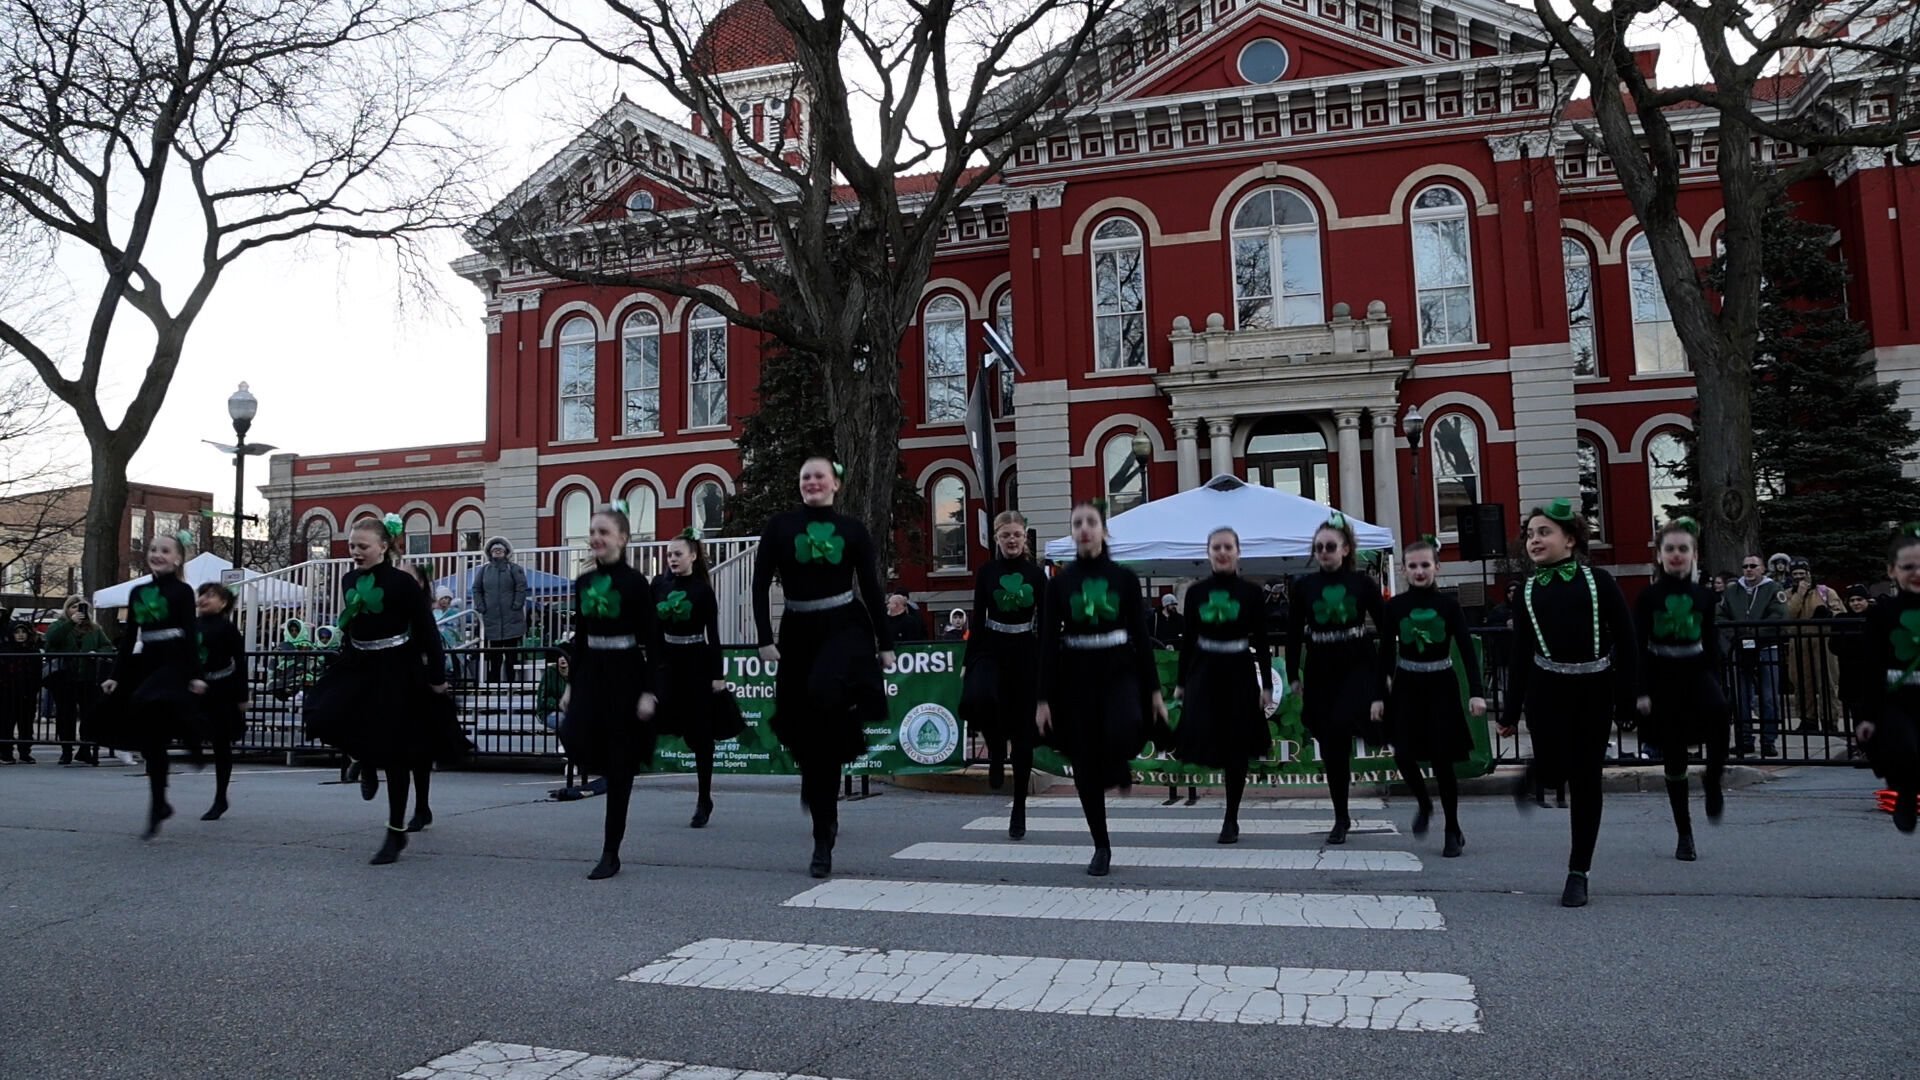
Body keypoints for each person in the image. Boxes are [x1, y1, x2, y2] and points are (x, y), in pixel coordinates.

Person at [752, 456, 895, 879]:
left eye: (820, 476)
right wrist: (765, 638)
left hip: (844, 626)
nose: (812, 482)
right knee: (809, 736)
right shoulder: (779, 527)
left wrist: (885, 643)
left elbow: (870, 586)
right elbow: (759, 585)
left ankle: (820, 841)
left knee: (824, 689)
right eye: (805, 477)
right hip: (798, 629)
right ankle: (824, 817)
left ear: (835, 484)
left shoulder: (852, 530)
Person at [1499, 498, 1636, 908]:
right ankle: (1541, 773)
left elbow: (1628, 640)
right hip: (1545, 692)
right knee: (1555, 769)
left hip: (1593, 691)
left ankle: (1579, 872)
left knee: (1586, 780)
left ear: (1570, 539)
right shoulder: (1525, 590)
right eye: (1530, 534)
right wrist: (1509, 711)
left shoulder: (1599, 581)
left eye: (1544, 532)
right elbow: (1520, 652)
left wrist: (1628, 698)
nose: (1534, 540)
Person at [303, 515, 462, 865]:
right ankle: (365, 760)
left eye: (363, 546)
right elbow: (353, 624)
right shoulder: (348, 579)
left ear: (383, 547)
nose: (356, 552)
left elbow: (427, 632)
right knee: (320, 713)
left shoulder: (402, 583)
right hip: (359, 663)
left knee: (398, 753)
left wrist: (436, 676)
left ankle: (395, 831)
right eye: (352, 546)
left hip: (397, 668)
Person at [1036, 499, 1164, 877]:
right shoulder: (1059, 584)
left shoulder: (1124, 579)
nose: (1085, 528)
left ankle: (1118, 765)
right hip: (1075, 676)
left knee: (1124, 726)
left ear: (1103, 530)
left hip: (1119, 669)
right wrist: (1042, 698)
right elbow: (1046, 642)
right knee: (1084, 765)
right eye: (1078, 523)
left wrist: (1154, 691)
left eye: (1091, 521)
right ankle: (1101, 845)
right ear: (1073, 532)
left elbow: (1142, 636)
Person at [560, 503, 659, 879]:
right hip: (591, 673)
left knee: (621, 767)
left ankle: (610, 851)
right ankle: (601, 767)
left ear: (622, 538)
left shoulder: (636, 584)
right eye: (593, 532)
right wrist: (572, 683)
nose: (596, 538)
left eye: (604, 532)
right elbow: (581, 636)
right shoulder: (583, 583)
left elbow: (653, 640)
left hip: (625, 673)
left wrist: (649, 691)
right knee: (570, 732)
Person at [1372, 537, 1485, 859]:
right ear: (1404, 570)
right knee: (1403, 752)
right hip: (1407, 685)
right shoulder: (1394, 607)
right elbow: (1385, 654)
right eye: (1413, 566)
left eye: (1425, 565)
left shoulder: (1448, 605)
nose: (1419, 571)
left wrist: (1476, 693)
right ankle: (1423, 801)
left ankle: (1452, 827)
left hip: (1441, 686)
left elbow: (1465, 648)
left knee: (1442, 759)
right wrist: (1378, 696)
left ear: (1437, 568)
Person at [94, 532, 208, 838]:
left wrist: (196, 674)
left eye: (165, 550)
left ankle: (193, 738)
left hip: (175, 662)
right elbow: (130, 637)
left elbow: (189, 631)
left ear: (177, 558)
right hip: (148, 661)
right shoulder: (138, 593)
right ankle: (159, 803)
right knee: (150, 737)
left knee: (157, 701)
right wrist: (116, 675)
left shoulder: (183, 591)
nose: (157, 554)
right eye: (153, 549)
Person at [1285, 511, 1387, 845]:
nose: (1325, 552)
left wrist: (1385, 674)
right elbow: (1292, 632)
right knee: (1332, 746)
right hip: (1321, 668)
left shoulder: (1362, 583)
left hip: (1357, 664)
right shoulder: (1304, 586)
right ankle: (1341, 815)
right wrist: (1292, 674)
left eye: (1331, 546)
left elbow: (1386, 629)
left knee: (1348, 723)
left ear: (1345, 549)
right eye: (1319, 547)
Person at [1632, 518, 1728, 862]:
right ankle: (1684, 833)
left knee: (1719, 714)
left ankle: (1714, 779)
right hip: (1662, 677)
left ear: (1693, 554)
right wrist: (1641, 691)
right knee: (1674, 756)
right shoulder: (1648, 597)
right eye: (1669, 549)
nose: (1676, 555)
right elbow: (1638, 646)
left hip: (1696, 670)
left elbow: (1712, 640)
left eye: (1682, 549)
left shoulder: (1704, 596)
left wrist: (1716, 678)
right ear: (1660, 555)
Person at [1172, 526, 1272, 845]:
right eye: (1217, 547)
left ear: (1238, 551)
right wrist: (1180, 681)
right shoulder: (1197, 593)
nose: (1223, 552)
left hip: (1239, 673)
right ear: (1209, 552)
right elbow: (1187, 639)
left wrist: (1266, 684)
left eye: (1228, 546)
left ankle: (1231, 817)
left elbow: (1263, 642)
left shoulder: (1252, 593)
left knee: (1237, 746)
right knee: (1204, 735)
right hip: (1204, 672)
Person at [959, 510, 1048, 837]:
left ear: (1024, 538)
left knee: (1024, 737)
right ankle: (995, 748)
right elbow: (977, 616)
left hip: (1025, 650)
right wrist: (968, 661)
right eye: (1006, 535)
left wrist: (1047, 663)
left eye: (1017, 535)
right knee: (979, 697)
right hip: (991, 647)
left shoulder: (1037, 576)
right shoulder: (986, 572)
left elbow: (1048, 622)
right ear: (996, 538)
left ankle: (1019, 808)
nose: (1012, 540)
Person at [653, 528, 741, 829]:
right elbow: (650, 628)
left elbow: (713, 635)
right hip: (668, 661)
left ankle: (704, 798)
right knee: (653, 716)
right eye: (669, 555)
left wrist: (718, 675)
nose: (672, 559)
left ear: (692, 555)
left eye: (678, 554)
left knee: (701, 736)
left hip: (696, 663)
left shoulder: (702, 590)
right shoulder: (658, 584)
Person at [1856, 526, 1920, 833]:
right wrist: (1866, 715)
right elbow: (1869, 665)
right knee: (1905, 747)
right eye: (1908, 567)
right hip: (1896, 700)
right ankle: (1905, 793)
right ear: (1892, 571)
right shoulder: (1883, 613)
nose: (1917, 573)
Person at [1720, 551, 1788, 757]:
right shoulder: (1732, 592)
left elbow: (1779, 616)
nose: (1748, 570)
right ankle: (1745, 739)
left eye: (1753, 566)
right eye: (1745, 566)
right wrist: (1738, 635)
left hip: (1767, 647)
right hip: (1740, 648)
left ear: (1762, 569)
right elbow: (1720, 615)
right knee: (1742, 697)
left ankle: (1769, 740)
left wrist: (1755, 633)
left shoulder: (1774, 589)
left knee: (1769, 697)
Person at [194, 583, 248, 821]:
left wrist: (242, 696)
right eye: (201, 595)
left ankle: (220, 797)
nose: (204, 599)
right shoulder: (192, 625)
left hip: (222, 690)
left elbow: (240, 662)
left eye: (210, 595)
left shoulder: (228, 629)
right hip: (198, 689)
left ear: (223, 603)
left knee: (221, 745)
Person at [42, 597, 111, 765]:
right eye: (73, 607)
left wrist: (96, 652)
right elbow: (52, 639)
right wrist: (70, 623)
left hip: (87, 677)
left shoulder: (94, 629)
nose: (78, 610)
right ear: (67, 609)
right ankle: (66, 749)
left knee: (88, 714)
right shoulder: (59, 625)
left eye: (81, 608)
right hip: (64, 677)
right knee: (66, 714)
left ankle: (85, 749)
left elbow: (108, 645)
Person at [1783, 558, 1844, 733]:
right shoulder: (1788, 594)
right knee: (1801, 683)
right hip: (1799, 642)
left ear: (1809, 573)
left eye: (1802, 573)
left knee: (1827, 682)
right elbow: (1788, 615)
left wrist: (1828, 614)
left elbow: (1841, 613)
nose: (1799, 578)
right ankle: (1807, 720)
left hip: (1824, 642)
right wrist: (1799, 594)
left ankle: (1829, 721)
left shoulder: (1826, 592)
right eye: (1795, 574)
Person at [470, 536, 530, 683]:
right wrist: (481, 607)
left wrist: (517, 605)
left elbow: (521, 588)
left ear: (506, 552)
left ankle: (511, 685)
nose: (497, 552)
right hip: (492, 620)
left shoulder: (515, 569)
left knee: (511, 657)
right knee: (494, 658)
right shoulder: (484, 570)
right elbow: (476, 589)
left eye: (500, 550)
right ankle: (494, 687)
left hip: (512, 620)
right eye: (494, 550)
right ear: (490, 553)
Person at [1, 620, 41, 764]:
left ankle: (25, 752)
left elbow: (37, 673)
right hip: (7, 692)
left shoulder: (33, 650)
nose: (20, 635)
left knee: (26, 724)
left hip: (27, 693)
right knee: (6, 724)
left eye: (23, 632)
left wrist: (34, 689)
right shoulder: (4, 650)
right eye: (17, 632)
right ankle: (6, 753)